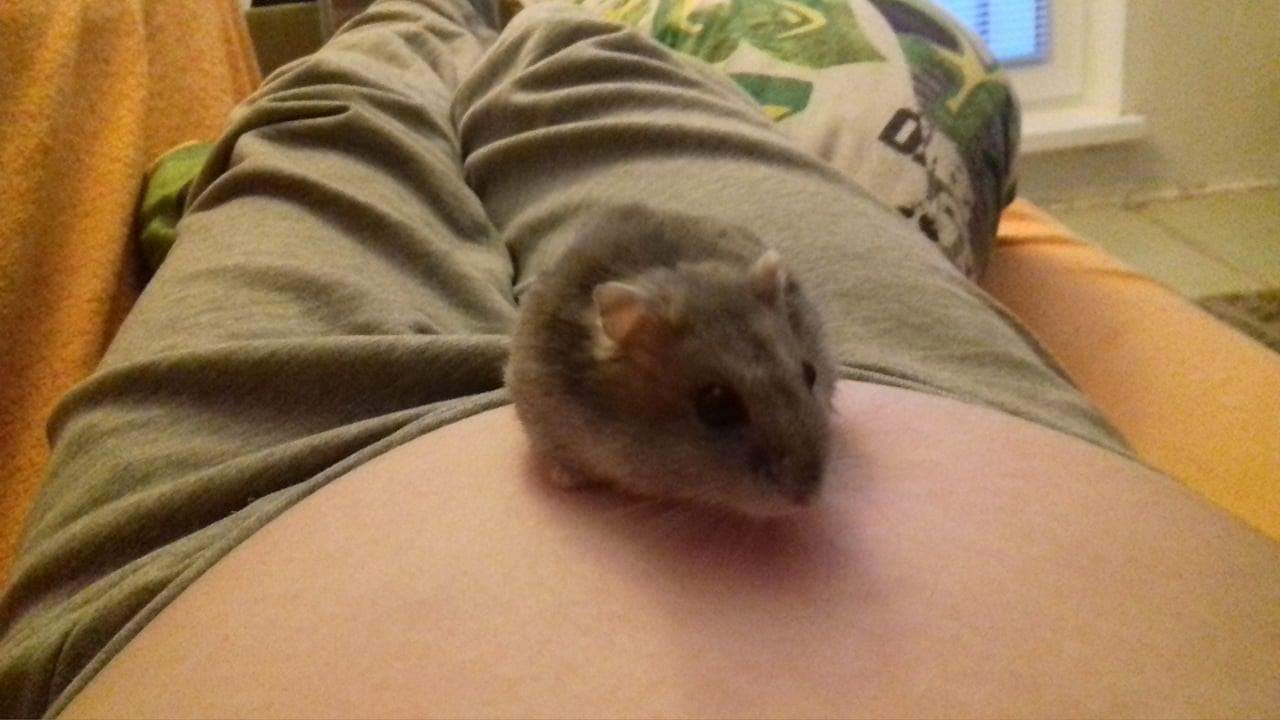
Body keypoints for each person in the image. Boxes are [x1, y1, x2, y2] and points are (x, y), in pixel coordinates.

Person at [1, 0, 1277, 716]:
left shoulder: (775, 315)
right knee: (447, 90)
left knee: (353, 123)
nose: (802, 481)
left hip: (237, 486)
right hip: (952, 389)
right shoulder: (626, 357)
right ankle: (434, 22)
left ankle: (460, 24)